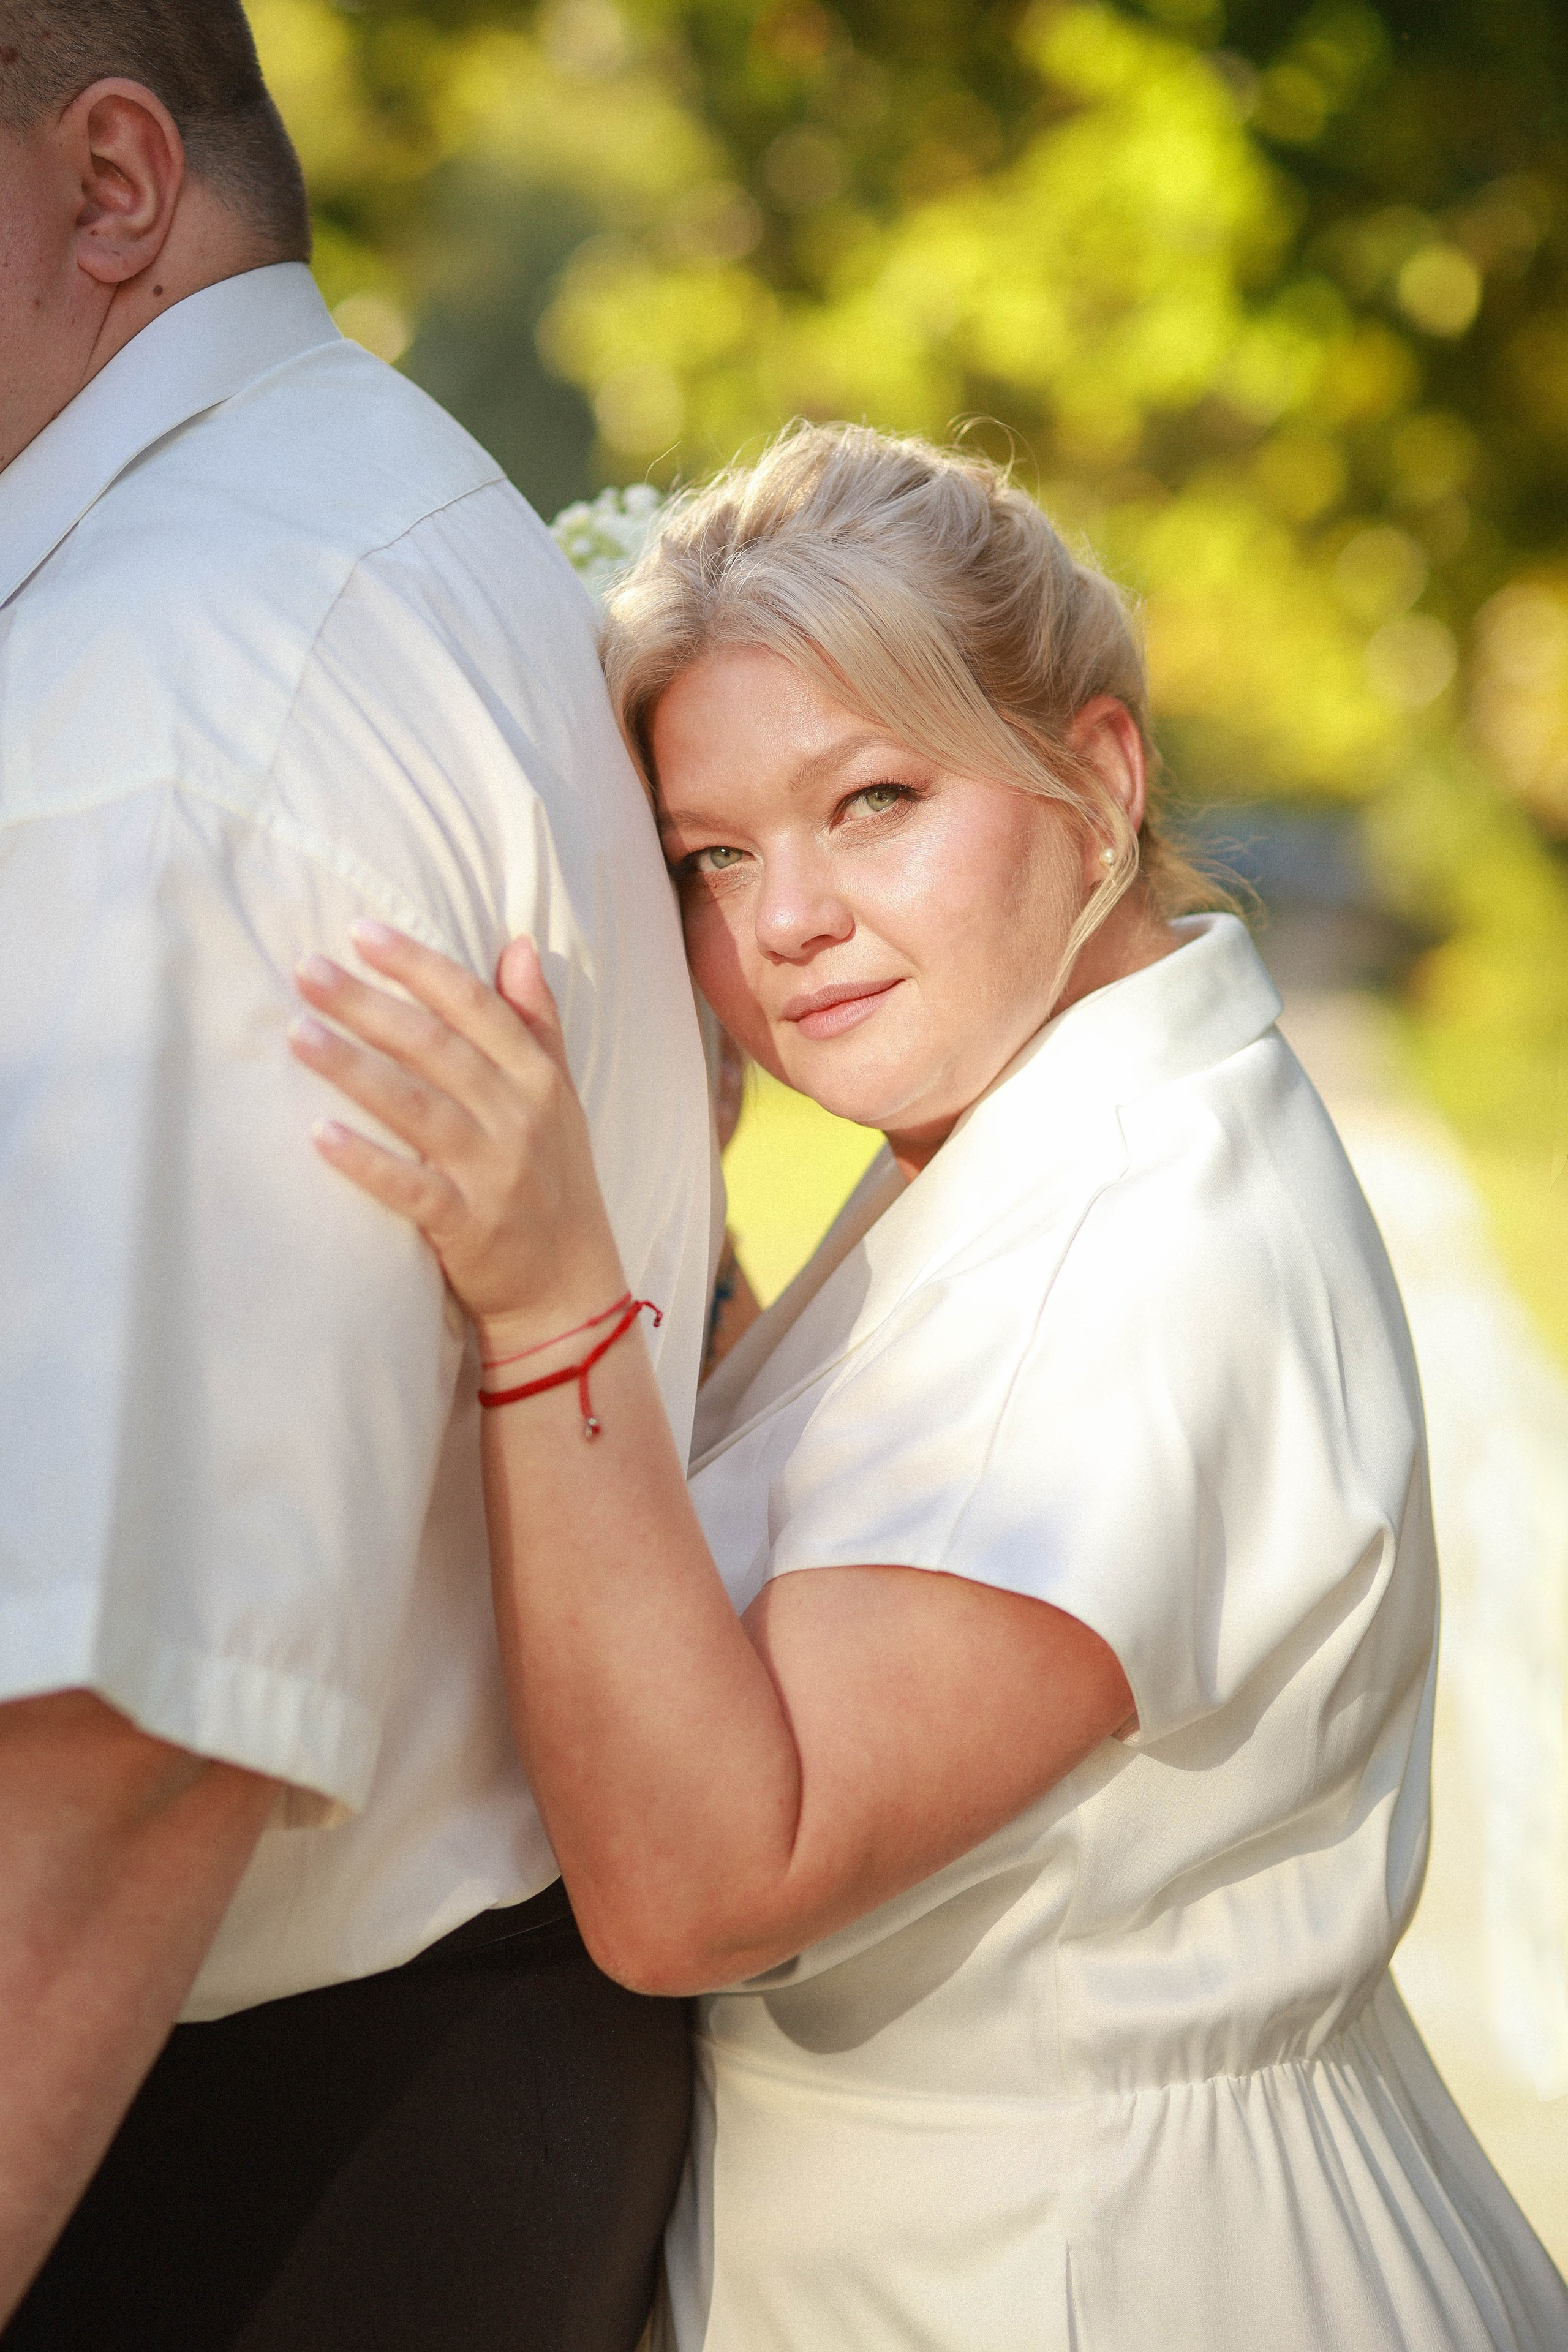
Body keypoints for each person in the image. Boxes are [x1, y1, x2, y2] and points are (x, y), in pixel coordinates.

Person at [298, 422, 1568, 2350]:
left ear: (1099, 773)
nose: (779, 921)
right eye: (712, 857)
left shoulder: (1135, 1252)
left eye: (871, 799)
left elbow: (706, 1884)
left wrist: (550, 1295)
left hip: (1105, 2280)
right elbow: (829, 1496)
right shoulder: (1048, 1122)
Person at [0, 6, 713, 2346]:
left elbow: (124, 1728)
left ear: (113, 182)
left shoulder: (166, 709)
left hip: (219, 2170)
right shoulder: (366, 501)